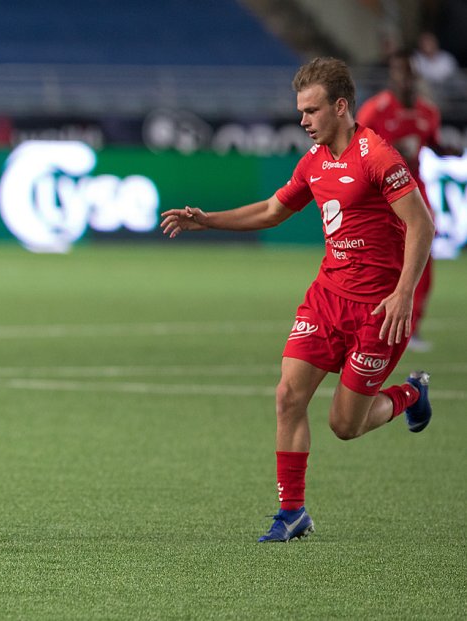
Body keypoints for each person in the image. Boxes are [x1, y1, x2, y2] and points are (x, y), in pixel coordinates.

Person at [160, 57, 434, 543]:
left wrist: (403, 294)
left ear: (341, 107)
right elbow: (271, 209)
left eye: (311, 110)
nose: (303, 120)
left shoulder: (377, 157)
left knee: (344, 426)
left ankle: (410, 394)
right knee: (288, 396)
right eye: (301, 111)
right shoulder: (314, 162)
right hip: (327, 299)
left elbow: (421, 224)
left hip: (378, 311)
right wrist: (208, 220)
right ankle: (292, 513)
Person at [357, 50, 451, 352]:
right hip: (381, 196)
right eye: (399, 71)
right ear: (392, 75)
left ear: (416, 75)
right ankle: (368, 324)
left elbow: (433, 143)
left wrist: (449, 149)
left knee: (422, 262)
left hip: (415, 193)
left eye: (409, 72)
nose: (405, 78)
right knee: (378, 263)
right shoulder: (376, 110)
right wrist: (391, 149)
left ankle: (412, 328)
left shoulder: (428, 112)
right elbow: (356, 146)